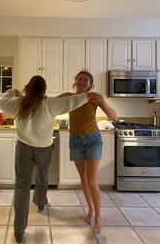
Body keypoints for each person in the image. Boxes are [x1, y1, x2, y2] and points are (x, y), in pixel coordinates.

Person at [0, 75, 101, 243]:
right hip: (44, 149)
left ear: (28, 88)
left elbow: (1, 102)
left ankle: (18, 232)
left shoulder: (19, 102)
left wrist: (13, 91)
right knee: (43, 175)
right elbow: (72, 102)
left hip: (23, 148)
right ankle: (40, 202)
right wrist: (90, 95)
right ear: (44, 90)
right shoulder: (50, 104)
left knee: (22, 187)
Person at [59, 71, 117, 234]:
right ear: (75, 82)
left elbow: (114, 117)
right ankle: (90, 208)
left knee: (91, 180)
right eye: (79, 79)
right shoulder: (69, 97)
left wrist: (101, 102)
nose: (82, 81)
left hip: (93, 140)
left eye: (86, 80)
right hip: (75, 141)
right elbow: (50, 103)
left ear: (90, 85)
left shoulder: (94, 97)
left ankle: (98, 217)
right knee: (83, 179)